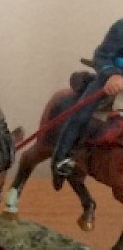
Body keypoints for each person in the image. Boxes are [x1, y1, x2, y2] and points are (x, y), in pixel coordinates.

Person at [50, 20, 123, 176]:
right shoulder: (121, 28)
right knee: (82, 113)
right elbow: (101, 55)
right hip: (114, 79)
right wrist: (112, 75)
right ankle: (61, 157)